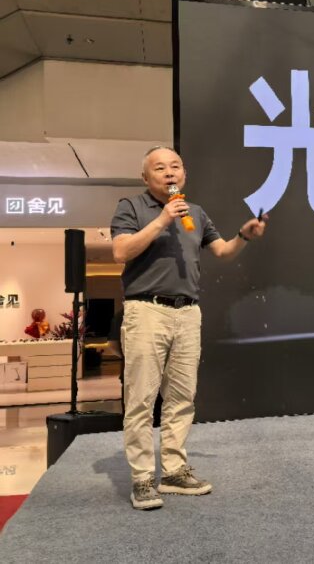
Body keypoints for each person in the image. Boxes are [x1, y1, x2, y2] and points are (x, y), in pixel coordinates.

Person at [110, 145, 267, 510]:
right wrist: (163, 219)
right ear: (145, 177)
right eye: (160, 168)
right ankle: (142, 479)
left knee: (182, 397)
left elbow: (223, 252)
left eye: (176, 166)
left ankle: (174, 471)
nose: (170, 172)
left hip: (188, 313)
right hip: (146, 310)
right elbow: (121, 252)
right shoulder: (130, 207)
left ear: (184, 174)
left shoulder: (195, 212)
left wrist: (244, 236)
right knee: (141, 399)